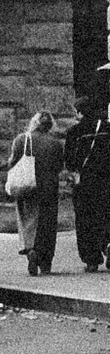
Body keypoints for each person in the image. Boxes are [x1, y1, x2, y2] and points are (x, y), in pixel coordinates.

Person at [12, 105, 66, 276]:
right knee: (48, 224)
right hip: (49, 188)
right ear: (50, 125)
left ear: (33, 123)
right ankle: (46, 261)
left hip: (26, 187)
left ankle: (31, 250)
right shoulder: (55, 144)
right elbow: (59, 167)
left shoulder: (21, 140)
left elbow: (11, 162)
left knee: (27, 220)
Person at [73, 71, 110, 275]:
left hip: (84, 183)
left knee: (85, 221)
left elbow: (70, 161)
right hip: (106, 181)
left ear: (79, 112)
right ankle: (108, 242)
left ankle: (91, 259)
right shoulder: (107, 128)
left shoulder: (75, 132)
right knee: (105, 215)